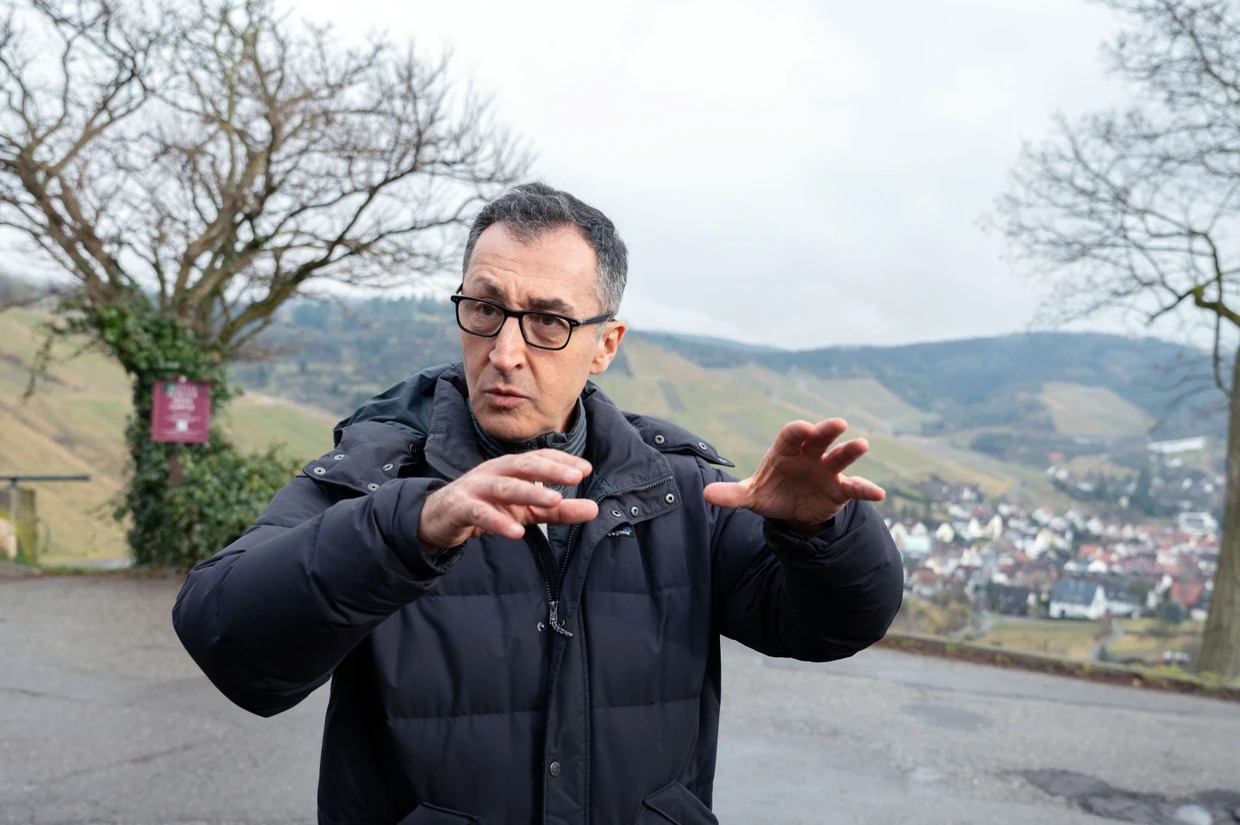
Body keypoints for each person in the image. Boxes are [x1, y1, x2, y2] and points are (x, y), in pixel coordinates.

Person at [173, 183, 903, 825]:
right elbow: (227, 638)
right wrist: (409, 528)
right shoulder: (375, 477)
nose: (506, 350)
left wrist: (821, 531)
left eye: (548, 321)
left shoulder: (678, 490)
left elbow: (831, 624)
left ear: (605, 343)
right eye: (485, 309)